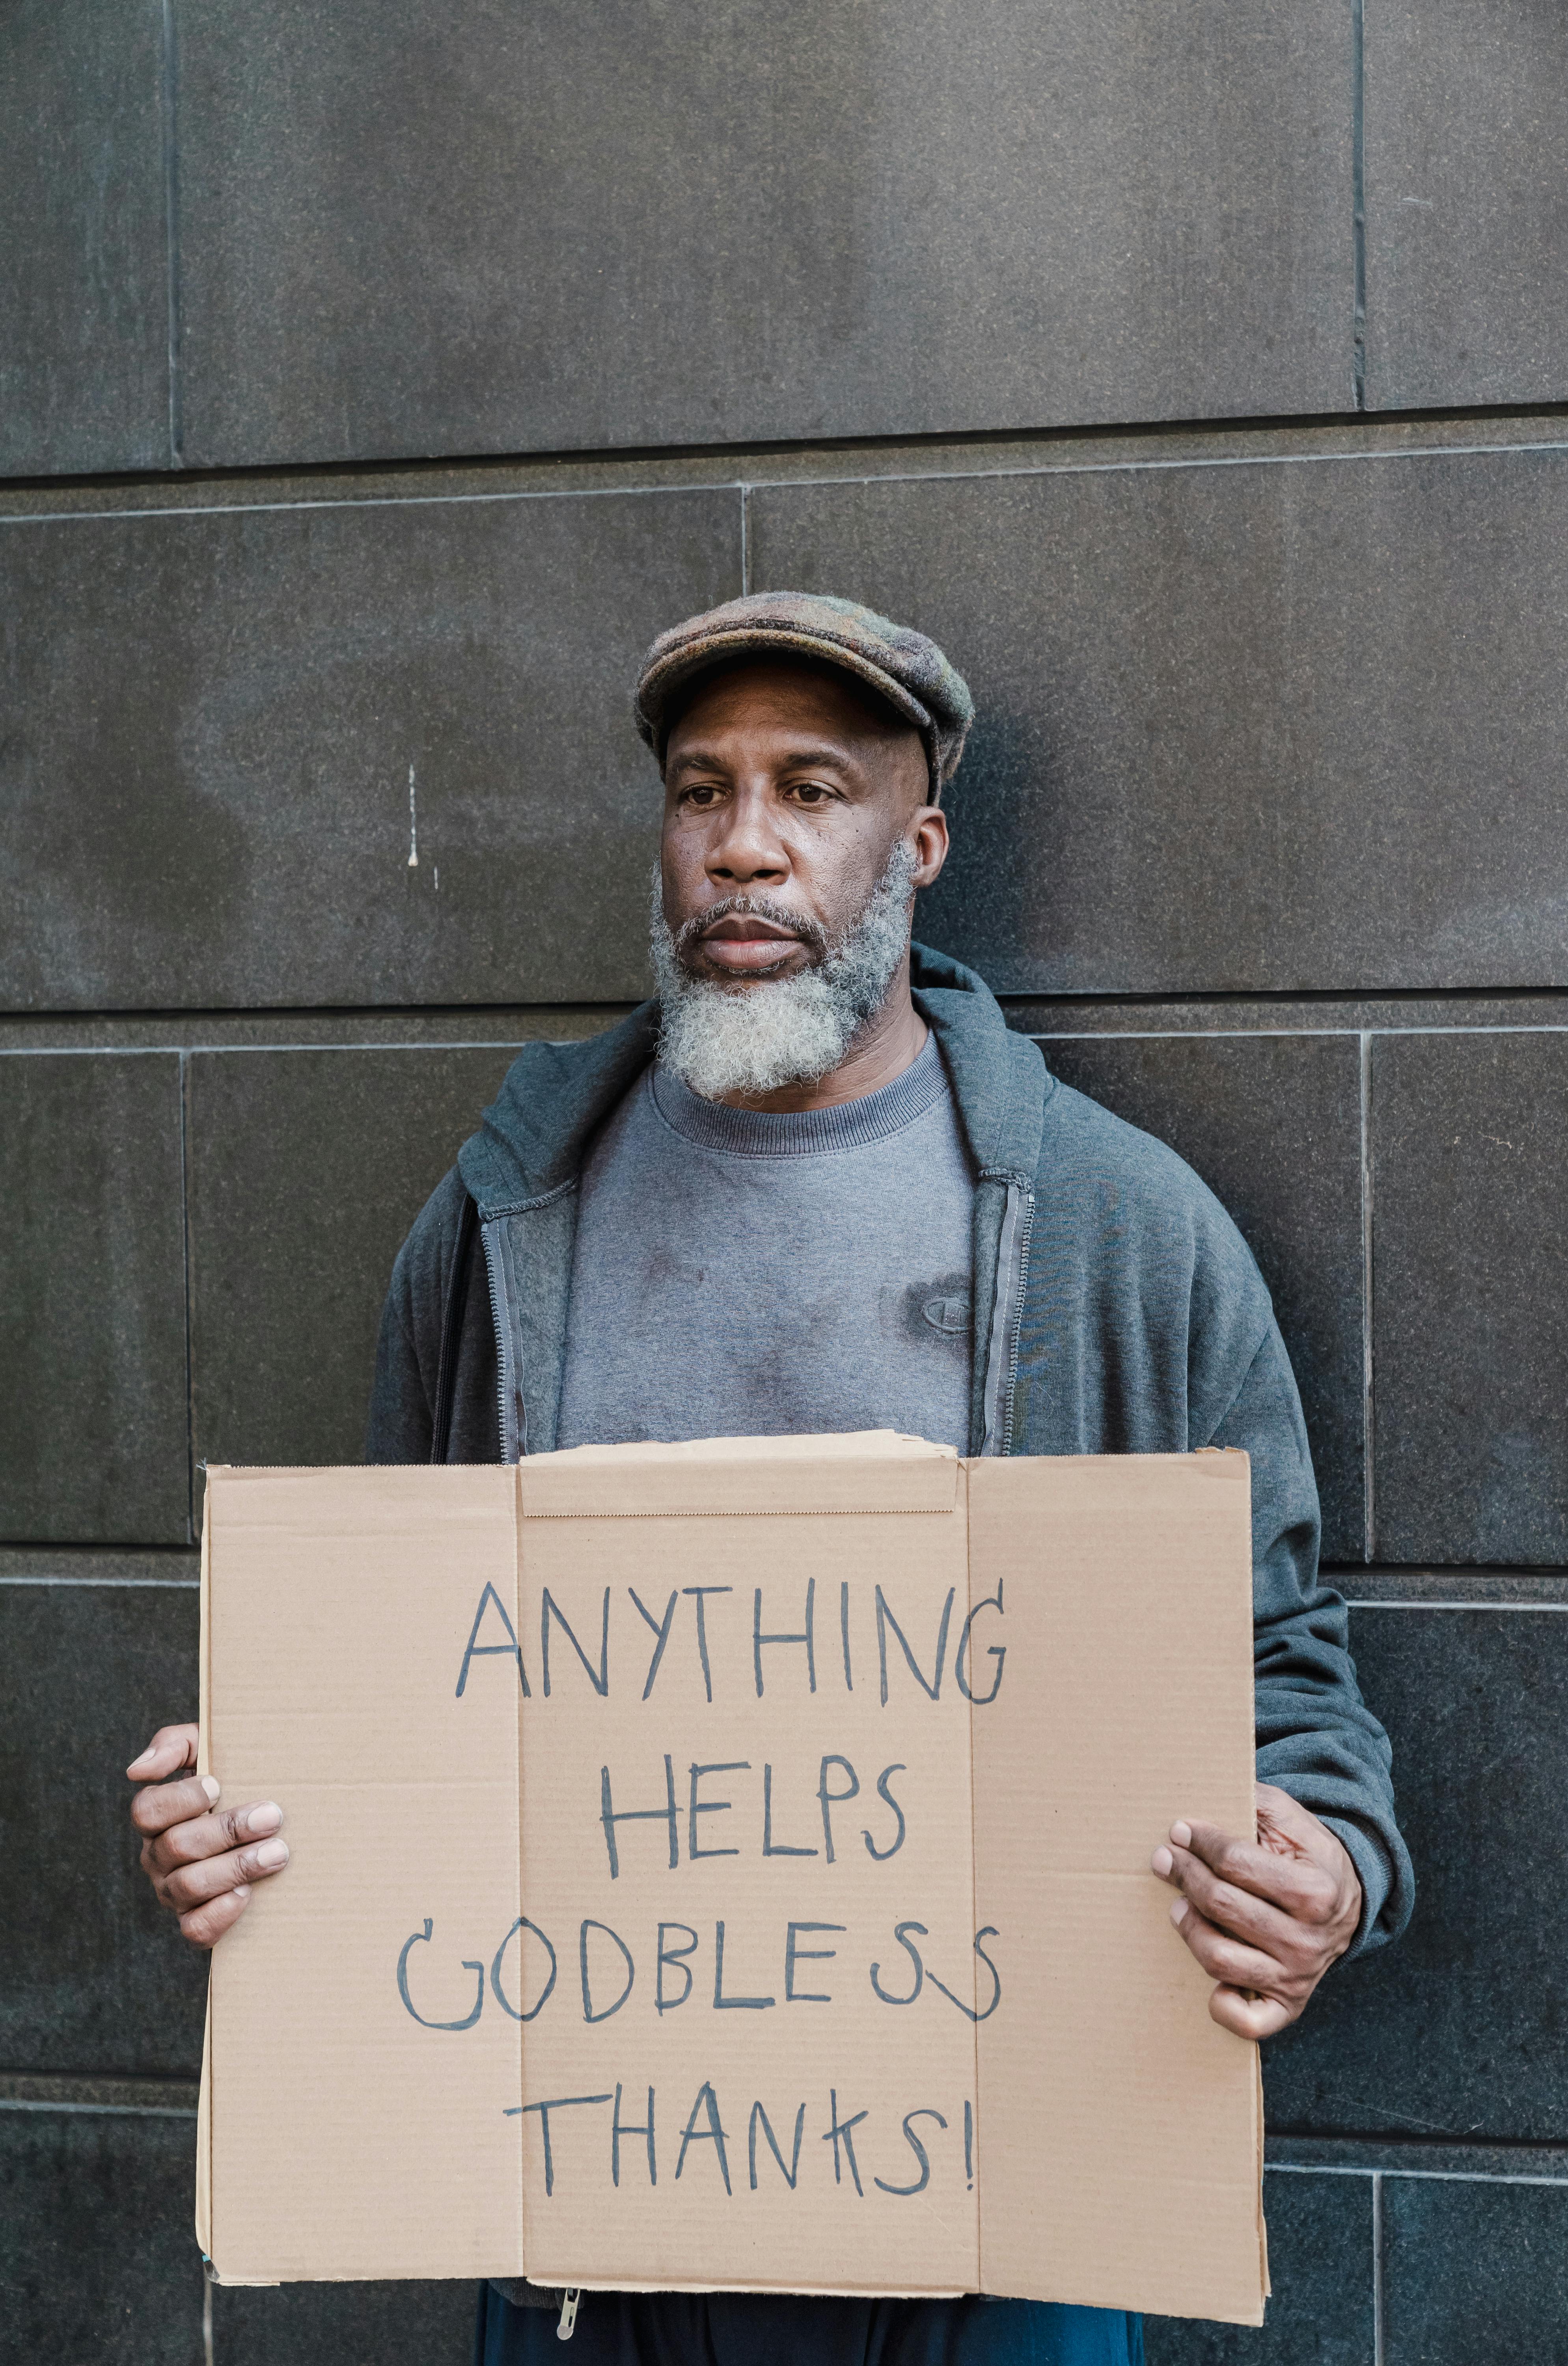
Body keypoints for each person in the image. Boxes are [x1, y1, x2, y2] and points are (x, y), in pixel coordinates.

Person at [127, 591, 1413, 2366]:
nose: (743, 845)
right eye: (698, 791)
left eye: (813, 790)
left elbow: (1290, 1682)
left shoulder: (1123, 1235)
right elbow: (402, 1696)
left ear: (921, 842)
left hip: (1004, 2224)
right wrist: (257, 1824)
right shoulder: (507, 1223)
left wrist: (1328, 1865)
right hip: (586, 2224)